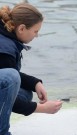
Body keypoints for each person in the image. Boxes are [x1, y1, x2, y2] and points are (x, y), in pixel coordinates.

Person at [0, 3, 63, 135]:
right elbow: (9, 76)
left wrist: (35, 83)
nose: (37, 36)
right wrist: (42, 108)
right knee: (12, 77)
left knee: (25, 94)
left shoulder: (6, 36)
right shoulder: (4, 48)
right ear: (22, 28)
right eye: (35, 31)